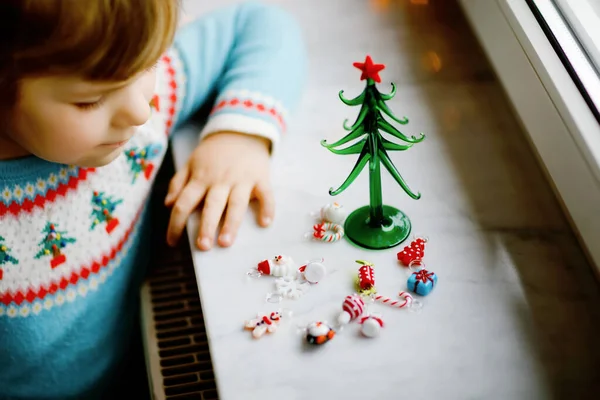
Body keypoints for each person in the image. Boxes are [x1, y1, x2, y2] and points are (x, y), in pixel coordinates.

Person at [0, 0, 306, 398]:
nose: (140, 110)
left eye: (149, 65)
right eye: (90, 100)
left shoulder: (128, 90)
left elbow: (262, 24)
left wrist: (240, 137)